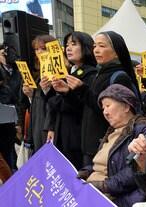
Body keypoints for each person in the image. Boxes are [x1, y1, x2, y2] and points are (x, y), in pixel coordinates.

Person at [55, 31, 139, 167]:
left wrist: (82, 89)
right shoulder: (101, 73)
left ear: (116, 52)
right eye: (95, 46)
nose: (96, 50)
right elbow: (86, 107)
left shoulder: (119, 76)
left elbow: (107, 111)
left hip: (106, 144)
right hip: (90, 144)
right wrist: (68, 92)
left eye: (102, 46)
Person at [77, 84, 146, 207]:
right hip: (94, 191)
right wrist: (85, 172)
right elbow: (101, 164)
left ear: (126, 106)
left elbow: (137, 171)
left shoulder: (143, 130)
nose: (105, 112)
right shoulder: (112, 131)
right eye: (103, 108)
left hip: (114, 199)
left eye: (108, 106)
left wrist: (104, 186)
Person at [49, 31, 98, 169]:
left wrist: (67, 94)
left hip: (77, 136)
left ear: (86, 47)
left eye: (74, 44)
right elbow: (54, 103)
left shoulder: (91, 74)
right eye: (67, 45)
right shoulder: (68, 73)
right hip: (62, 133)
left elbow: (82, 107)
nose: (68, 48)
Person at [22, 34, 57, 154]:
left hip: (49, 125)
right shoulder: (37, 75)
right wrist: (30, 95)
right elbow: (36, 104)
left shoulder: (60, 73)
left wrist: (46, 90)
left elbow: (55, 102)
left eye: (43, 48)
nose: (40, 52)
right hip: (37, 123)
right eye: (37, 49)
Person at [0, 43, 22, 170]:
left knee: (10, 160)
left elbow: (17, 102)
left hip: (9, 126)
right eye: (3, 54)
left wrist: (17, 123)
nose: (7, 57)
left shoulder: (19, 71)